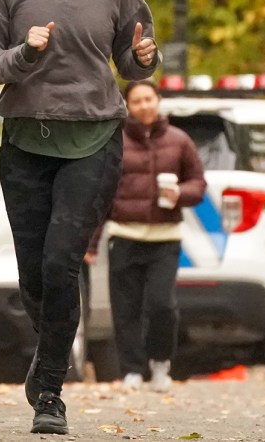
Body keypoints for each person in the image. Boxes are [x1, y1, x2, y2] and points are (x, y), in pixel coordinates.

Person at [0, 0, 159, 435]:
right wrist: (22, 55)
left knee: (60, 262)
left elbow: (132, 61)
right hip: (25, 139)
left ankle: (49, 387)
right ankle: (50, 355)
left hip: (93, 138)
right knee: (33, 273)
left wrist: (144, 60)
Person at [85, 79, 206, 392]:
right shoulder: (115, 141)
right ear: (128, 106)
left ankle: (161, 363)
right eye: (136, 101)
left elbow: (198, 183)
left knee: (162, 304)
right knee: (126, 308)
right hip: (124, 235)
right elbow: (102, 193)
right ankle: (132, 370)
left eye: (148, 99)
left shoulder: (180, 140)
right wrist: (91, 241)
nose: (143, 106)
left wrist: (180, 192)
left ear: (158, 100)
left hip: (165, 238)